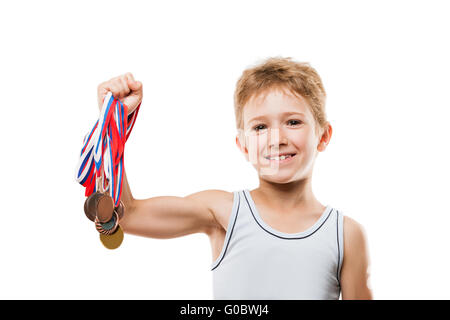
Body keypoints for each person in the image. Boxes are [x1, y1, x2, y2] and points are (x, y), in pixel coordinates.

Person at [96, 57, 373, 300]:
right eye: (260, 127)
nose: (277, 139)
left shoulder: (345, 235)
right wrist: (112, 122)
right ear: (243, 146)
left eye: (293, 122)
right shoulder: (223, 211)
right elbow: (127, 215)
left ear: (323, 136)